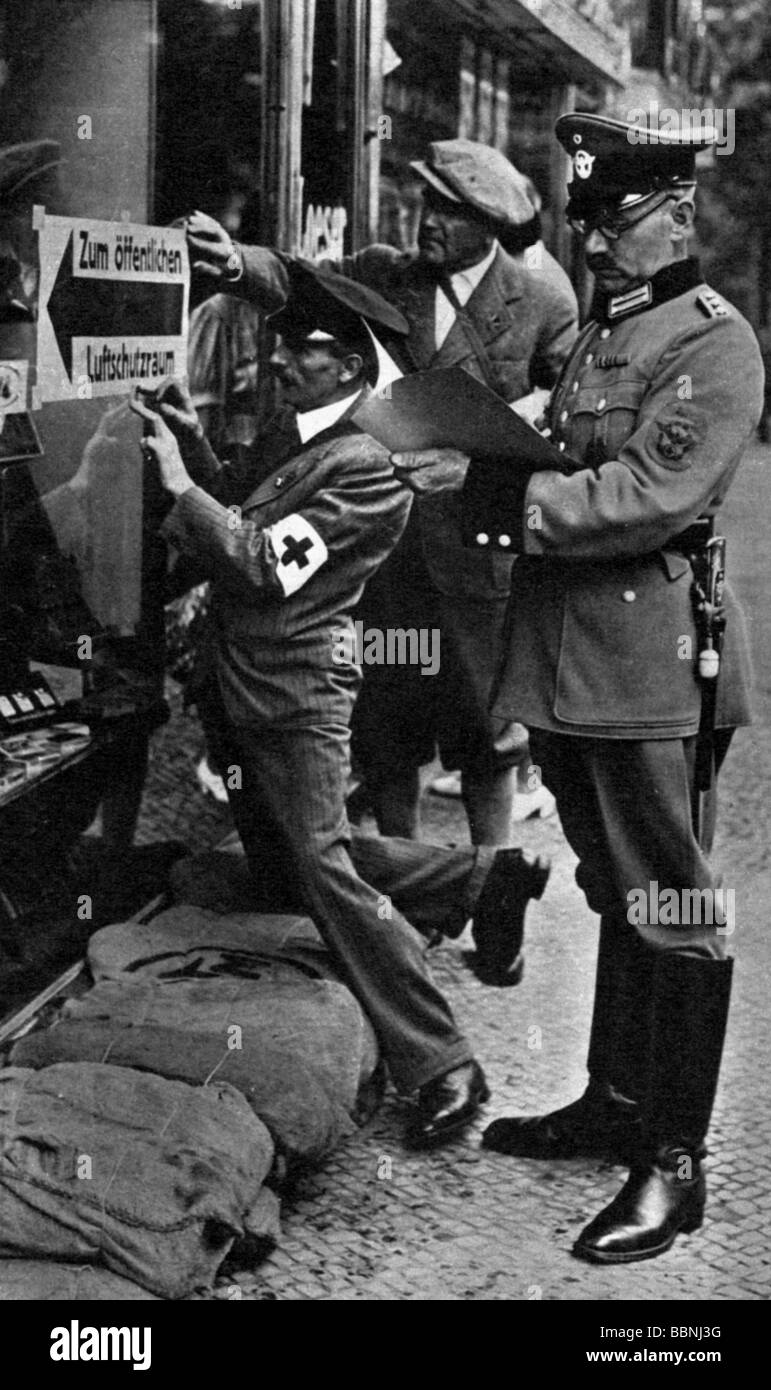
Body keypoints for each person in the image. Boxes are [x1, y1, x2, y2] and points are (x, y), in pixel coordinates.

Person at [389, 112, 765, 1259]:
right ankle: (616, 1101)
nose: (592, 244)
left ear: (676, 215)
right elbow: (559, 459)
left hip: (651, 664)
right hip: (564, 661)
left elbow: (650, 493)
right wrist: (469, 459)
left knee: (675, 903)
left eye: (613, 220)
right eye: (586, 221)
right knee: (613, 887)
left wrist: (491, 492)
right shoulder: (607, 331)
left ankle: (676, 1163)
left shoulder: (713, 342)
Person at [130, 260, 549, 1147]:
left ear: (356, 366)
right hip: (246, 690)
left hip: (292, 696)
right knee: (292, 862)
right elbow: (249, 513)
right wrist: (190, 442)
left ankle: (444, 1065)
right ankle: (481, 878)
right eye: (282, 342)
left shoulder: (367, 465)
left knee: (322, 869)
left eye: (308, 349)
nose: (284, 359)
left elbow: (259, 564)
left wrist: (175, 483)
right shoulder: (311, 436)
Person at [185, 139, 578, 846]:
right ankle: (409, 882)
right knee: (387, 726)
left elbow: (567, 401)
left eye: (452, 212)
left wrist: (527, 416)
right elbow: (299, 279)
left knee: (485, 730)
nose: (430, 221)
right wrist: (237, 261)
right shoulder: (380, 274)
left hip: (473, 552)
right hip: (384, 553)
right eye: (428, 203)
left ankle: (492, 876)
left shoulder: (542, 303)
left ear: (488, 225)